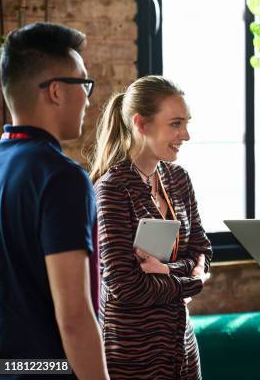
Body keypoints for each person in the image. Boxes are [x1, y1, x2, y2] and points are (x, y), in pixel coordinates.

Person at [0, 22, 109, 379]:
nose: (89, 99)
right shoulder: (60, 177)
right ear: (56, 91)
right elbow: (74, 316)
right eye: (84, 84)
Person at [89, 75, 212, 379]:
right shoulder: (112, 190)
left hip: (182, 350)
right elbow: (124, 286)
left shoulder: (179, 179)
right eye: (176, 124)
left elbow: (203, 252)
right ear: (141, 124)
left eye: (186, 123)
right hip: (132, 356)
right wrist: (191, 282)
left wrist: (167, 270)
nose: (186, 135)